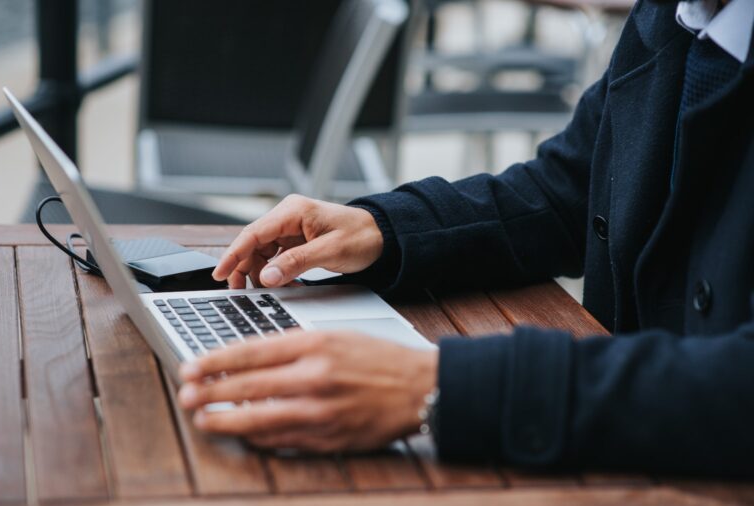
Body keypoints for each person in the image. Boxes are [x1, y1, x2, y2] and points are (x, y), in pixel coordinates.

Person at [177, 0, 754, 475]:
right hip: (613, 465)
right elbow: (567, 189)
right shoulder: (674, 17)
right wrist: (387, 227)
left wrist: (441, 390)